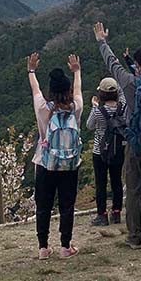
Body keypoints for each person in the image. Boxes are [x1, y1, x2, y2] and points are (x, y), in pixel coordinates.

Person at [94, 22, 141, 249]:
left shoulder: (129, 82)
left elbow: (112, 63)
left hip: (135, 145)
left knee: (134, 193)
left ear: (136, 65)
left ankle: (134, 237)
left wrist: (101, 41)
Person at [27, 52, 83, 260]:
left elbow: (35, 89)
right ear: (68, 90)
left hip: (45, 163)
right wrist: (77, 71)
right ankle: (65, 247)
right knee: (67, 205)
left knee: (43, 206)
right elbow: (78, 90)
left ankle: (43, 248)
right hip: (70, 164)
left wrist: (31, 70)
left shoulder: (43, 108)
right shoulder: (76, 107)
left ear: (51, 91)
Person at [86, 77, 126, 226]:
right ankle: (116, 213)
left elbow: (89, 125)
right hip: (118, 149)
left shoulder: (98, 111)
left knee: (101, 183)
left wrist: (94, 106)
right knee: (117, 181)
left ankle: (102, 215)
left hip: (100, 151)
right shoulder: (122, 107)